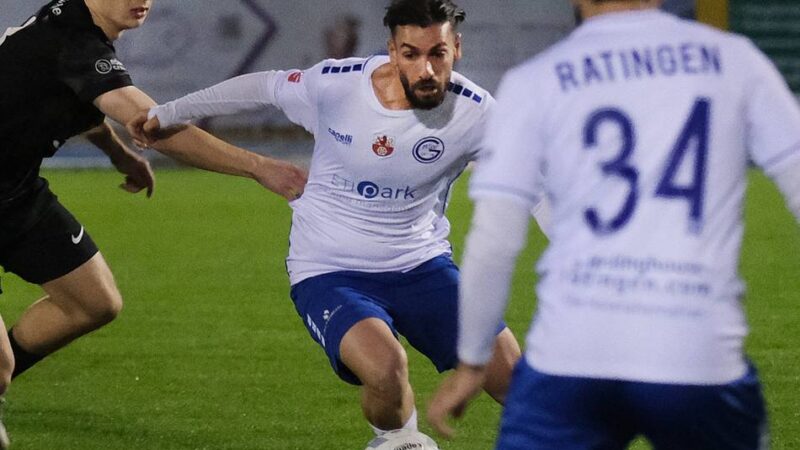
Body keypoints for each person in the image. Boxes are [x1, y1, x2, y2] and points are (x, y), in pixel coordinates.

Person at [130, 0, 550, 441]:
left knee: (515, 380)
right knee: (387, 369)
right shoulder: (338, 85)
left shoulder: (479, 113)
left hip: (422, 265)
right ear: (392, 50)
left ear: (456, 49)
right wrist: (168, 112)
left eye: (437, 54)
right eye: (411, 54)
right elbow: (263, 87)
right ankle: (396, 438)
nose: (426, 69)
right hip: (330, 269)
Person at [428, 0, 800, 448]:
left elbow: (495, 241)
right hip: (695, 349)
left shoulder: (535, 82)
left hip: (572, 352)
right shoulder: (734, 60)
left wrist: (472, 361)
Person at [0, 0, 306, 443]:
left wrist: (120, 154)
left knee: (93, 303)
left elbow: (74, 96)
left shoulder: (73, 30)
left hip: (15, 193)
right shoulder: (73, 41)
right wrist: (260, 166)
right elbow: (155, 124)